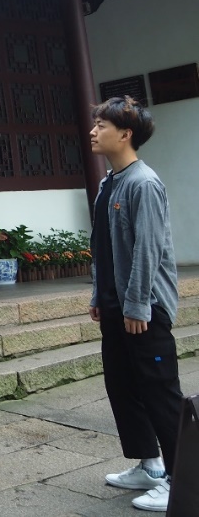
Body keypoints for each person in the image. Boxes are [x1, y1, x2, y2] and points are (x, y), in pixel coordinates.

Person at [89, 96, 182, 513]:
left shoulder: (143, 183)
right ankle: (150, 465)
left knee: (160, 393)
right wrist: (100, 296)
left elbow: (148, 249)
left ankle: (182, 480)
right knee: (122, 386)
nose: (93, 131)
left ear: (125, 134)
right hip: (117, 306)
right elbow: (103, 247)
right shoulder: (109, 183)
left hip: (145, 308)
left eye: (102, 125)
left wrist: (138, 305)